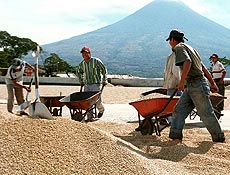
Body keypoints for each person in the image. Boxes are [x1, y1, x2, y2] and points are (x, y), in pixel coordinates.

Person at [165, 29, 225, 145]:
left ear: (172, 39)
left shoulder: (179, 48)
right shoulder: (191, 49)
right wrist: (212, 83)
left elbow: (187, 62)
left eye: (170, 41)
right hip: (193, 86)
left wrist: (181, 82)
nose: (170, 43)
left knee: (206, 113)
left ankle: (219, 138)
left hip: (196, 85)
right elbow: (203, 68)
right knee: (178, 110)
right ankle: (176, 138)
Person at [76, 46, 107, 122]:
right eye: (83, 53)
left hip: (95, 84)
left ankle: (101, 110)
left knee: (97, 101)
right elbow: (78, 72)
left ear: (89, 53)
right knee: (87, 102)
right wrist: (81, 80)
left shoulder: (96, 61)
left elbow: (104, 70)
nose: (84, 55)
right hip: (87, 84)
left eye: (86, 53)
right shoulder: (82, 64)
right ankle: (90, 117)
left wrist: (104, 80)